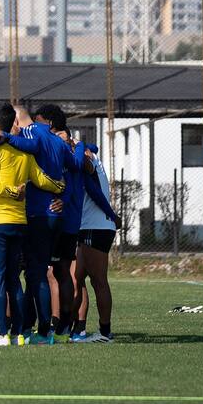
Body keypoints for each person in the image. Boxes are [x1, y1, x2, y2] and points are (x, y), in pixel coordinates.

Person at [0, 103, 64, 347]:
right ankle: (19, 333)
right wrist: (60, 188)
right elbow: (42, 179)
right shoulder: (24, 154)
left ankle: (1, 334)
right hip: (18, 223)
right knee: (13, 279)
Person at [1, 103, 79, 344]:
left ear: (17, 121)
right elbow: (73, 168)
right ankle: (29, 327)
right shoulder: (57, 141)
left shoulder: (31, 133)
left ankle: (42, 331)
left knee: (35, 275)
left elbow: (31, 145)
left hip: (37, 214)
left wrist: (2, 136)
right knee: (37, 272)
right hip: (54, 216)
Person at [71, 142, 116, 343]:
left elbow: (83, 163)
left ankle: (105, 332)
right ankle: (78, 329)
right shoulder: (94, 160)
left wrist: (77, 149)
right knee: (76, 278)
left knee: (98, 281)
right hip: (91, 227)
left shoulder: (89, 160)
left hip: (94, 228)